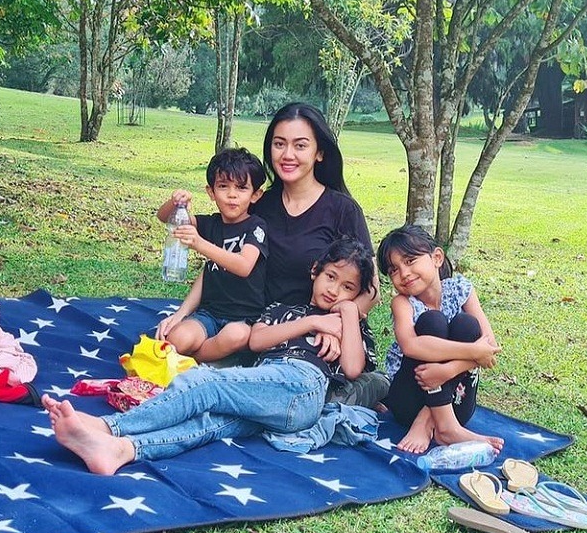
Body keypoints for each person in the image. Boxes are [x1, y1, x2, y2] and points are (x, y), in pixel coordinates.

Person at [41, 238, 376, 475]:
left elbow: (352, 368)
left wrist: (348, 315)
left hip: (302, 386)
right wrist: (313, 322)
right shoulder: (284, 310)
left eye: (348, 288)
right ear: (315, 270)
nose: (334, 290)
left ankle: (107, 427)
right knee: (209, 423)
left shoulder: (348, 323)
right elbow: (257, 340)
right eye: (331, 277)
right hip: (268, 393)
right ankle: (121, 450)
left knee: (206, 382)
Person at [252, 102, 388, 409]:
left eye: (300, 145)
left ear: (320, 153)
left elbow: (372, 290)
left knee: (308, 401)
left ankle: (365, 388)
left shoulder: (342, 210)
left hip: (326, 336)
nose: (287, 155)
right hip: (272, 328)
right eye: (279, 144)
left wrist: (336, 326)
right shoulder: (260, 206)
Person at [377, 224, 505, 454]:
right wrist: (473, 353)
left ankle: (434, 423)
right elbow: (411, 346)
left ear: (436, 257)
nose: (403, 273)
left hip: (458, 404)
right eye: (393, 270)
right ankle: (444, 426)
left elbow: (489, 347)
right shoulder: (402, 303)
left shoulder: (460, 290)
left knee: (467, 325)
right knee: (432, 322)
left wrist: (447, 371)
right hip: (409, 400)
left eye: (410, 261)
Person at [154, 147, 268, 362]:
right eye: (223, 186)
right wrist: (176, 203)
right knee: (178, 338)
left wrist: (199, 243)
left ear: (255, 195)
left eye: (241, 187)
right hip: (209, 314)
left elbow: (244, 266)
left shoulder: (256, 226)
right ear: (211, 192)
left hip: (245, 319)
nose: (232, 194)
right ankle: (203, 358)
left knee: (236, 335)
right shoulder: (210, 223)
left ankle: (189, 362)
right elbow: (164, 217)